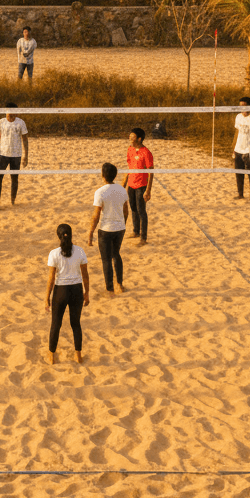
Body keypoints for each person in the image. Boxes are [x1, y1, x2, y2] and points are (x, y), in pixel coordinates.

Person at [45, 223, 89, 365]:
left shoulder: (54, 253)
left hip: (60, 291)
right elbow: (85, 275)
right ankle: (78, 355)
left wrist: (47, 297)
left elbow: (51, 278)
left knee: (55, 324)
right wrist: (86, 292)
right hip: (76, 290)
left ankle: (52, 355)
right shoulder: (80, 251)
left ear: (58, 236)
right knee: (76, 324)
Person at [89, 162, 129, 295]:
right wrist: (122, 224)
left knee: (106, 259)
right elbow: (125, 211)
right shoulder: (122, 190)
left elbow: (96, 215)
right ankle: (120, 283)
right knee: (116, 255)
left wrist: (90, 233)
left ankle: (110, 288)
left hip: (106, 229)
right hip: (119, 228)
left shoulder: (100, 192)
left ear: (103, 175)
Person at [0, 102, 29, 210]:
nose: (10, 117)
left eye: (13, 114)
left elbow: (25, 139)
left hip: (16, 155)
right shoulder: (1, 122)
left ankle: (13, 199)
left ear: (17, 114)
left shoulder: (21, 123)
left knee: (14, 178)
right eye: (8, 114)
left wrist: (26, 156)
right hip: (2, 154)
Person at [122, 127, 154, 246]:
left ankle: (143, 238)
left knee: (141, 211)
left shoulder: (146, 152)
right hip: (131, 184)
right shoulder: (130, 149)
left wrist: (148, 190)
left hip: (141, 186)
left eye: (133, 136)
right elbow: (129, 168)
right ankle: (136, 232)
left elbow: (151, 173)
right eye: (130, 136)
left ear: (139, 139)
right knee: (133, 209)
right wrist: (123, 185)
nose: (130, 138)